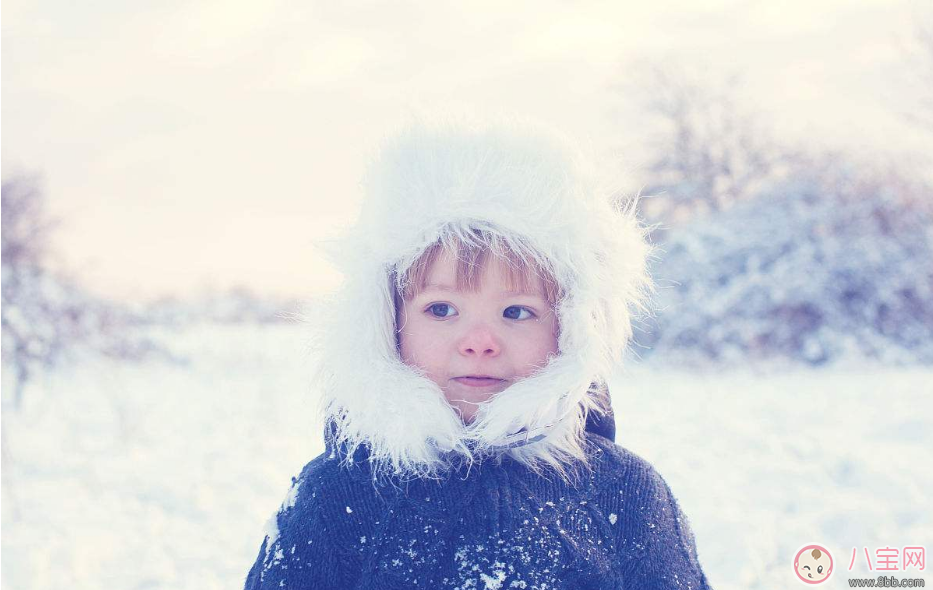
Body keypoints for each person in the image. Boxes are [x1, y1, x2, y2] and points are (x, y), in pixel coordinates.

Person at [244, 117, 712, 589]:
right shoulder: (335, 498)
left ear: (570, 329)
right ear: (386, 323)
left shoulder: (624, 493)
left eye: (517, 311)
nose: (479, 341)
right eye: (442, 309)